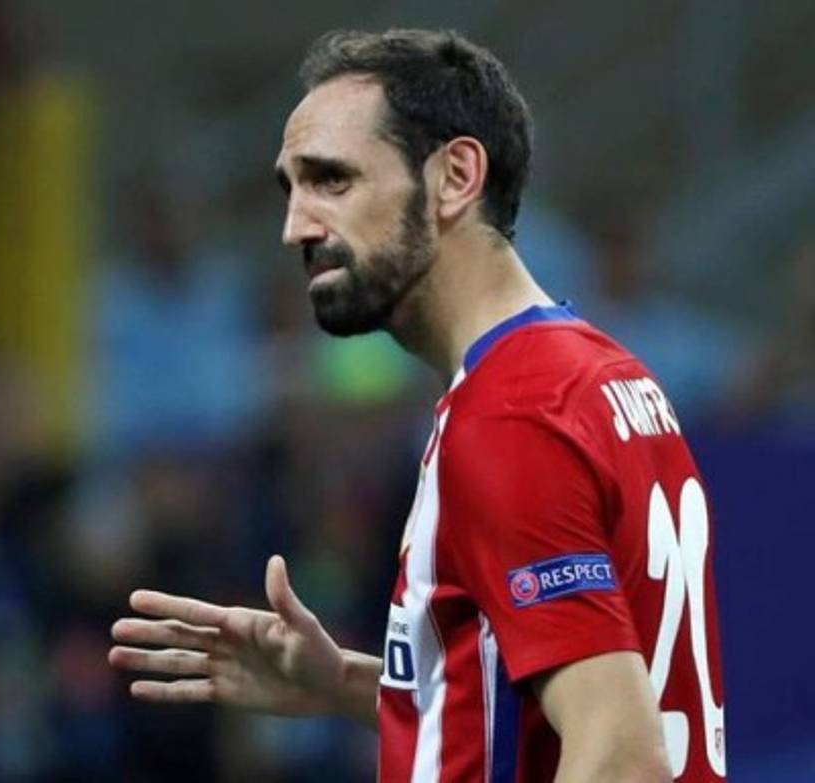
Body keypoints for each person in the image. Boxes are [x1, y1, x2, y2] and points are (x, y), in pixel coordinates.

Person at [109, 29, 725, 782]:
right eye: (291, 188)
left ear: (455, 176)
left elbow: (621, 755)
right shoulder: (594, 372)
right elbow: (539, 700)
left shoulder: (510, 414)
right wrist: (345, 683)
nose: (295, 226)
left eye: (332, 180)